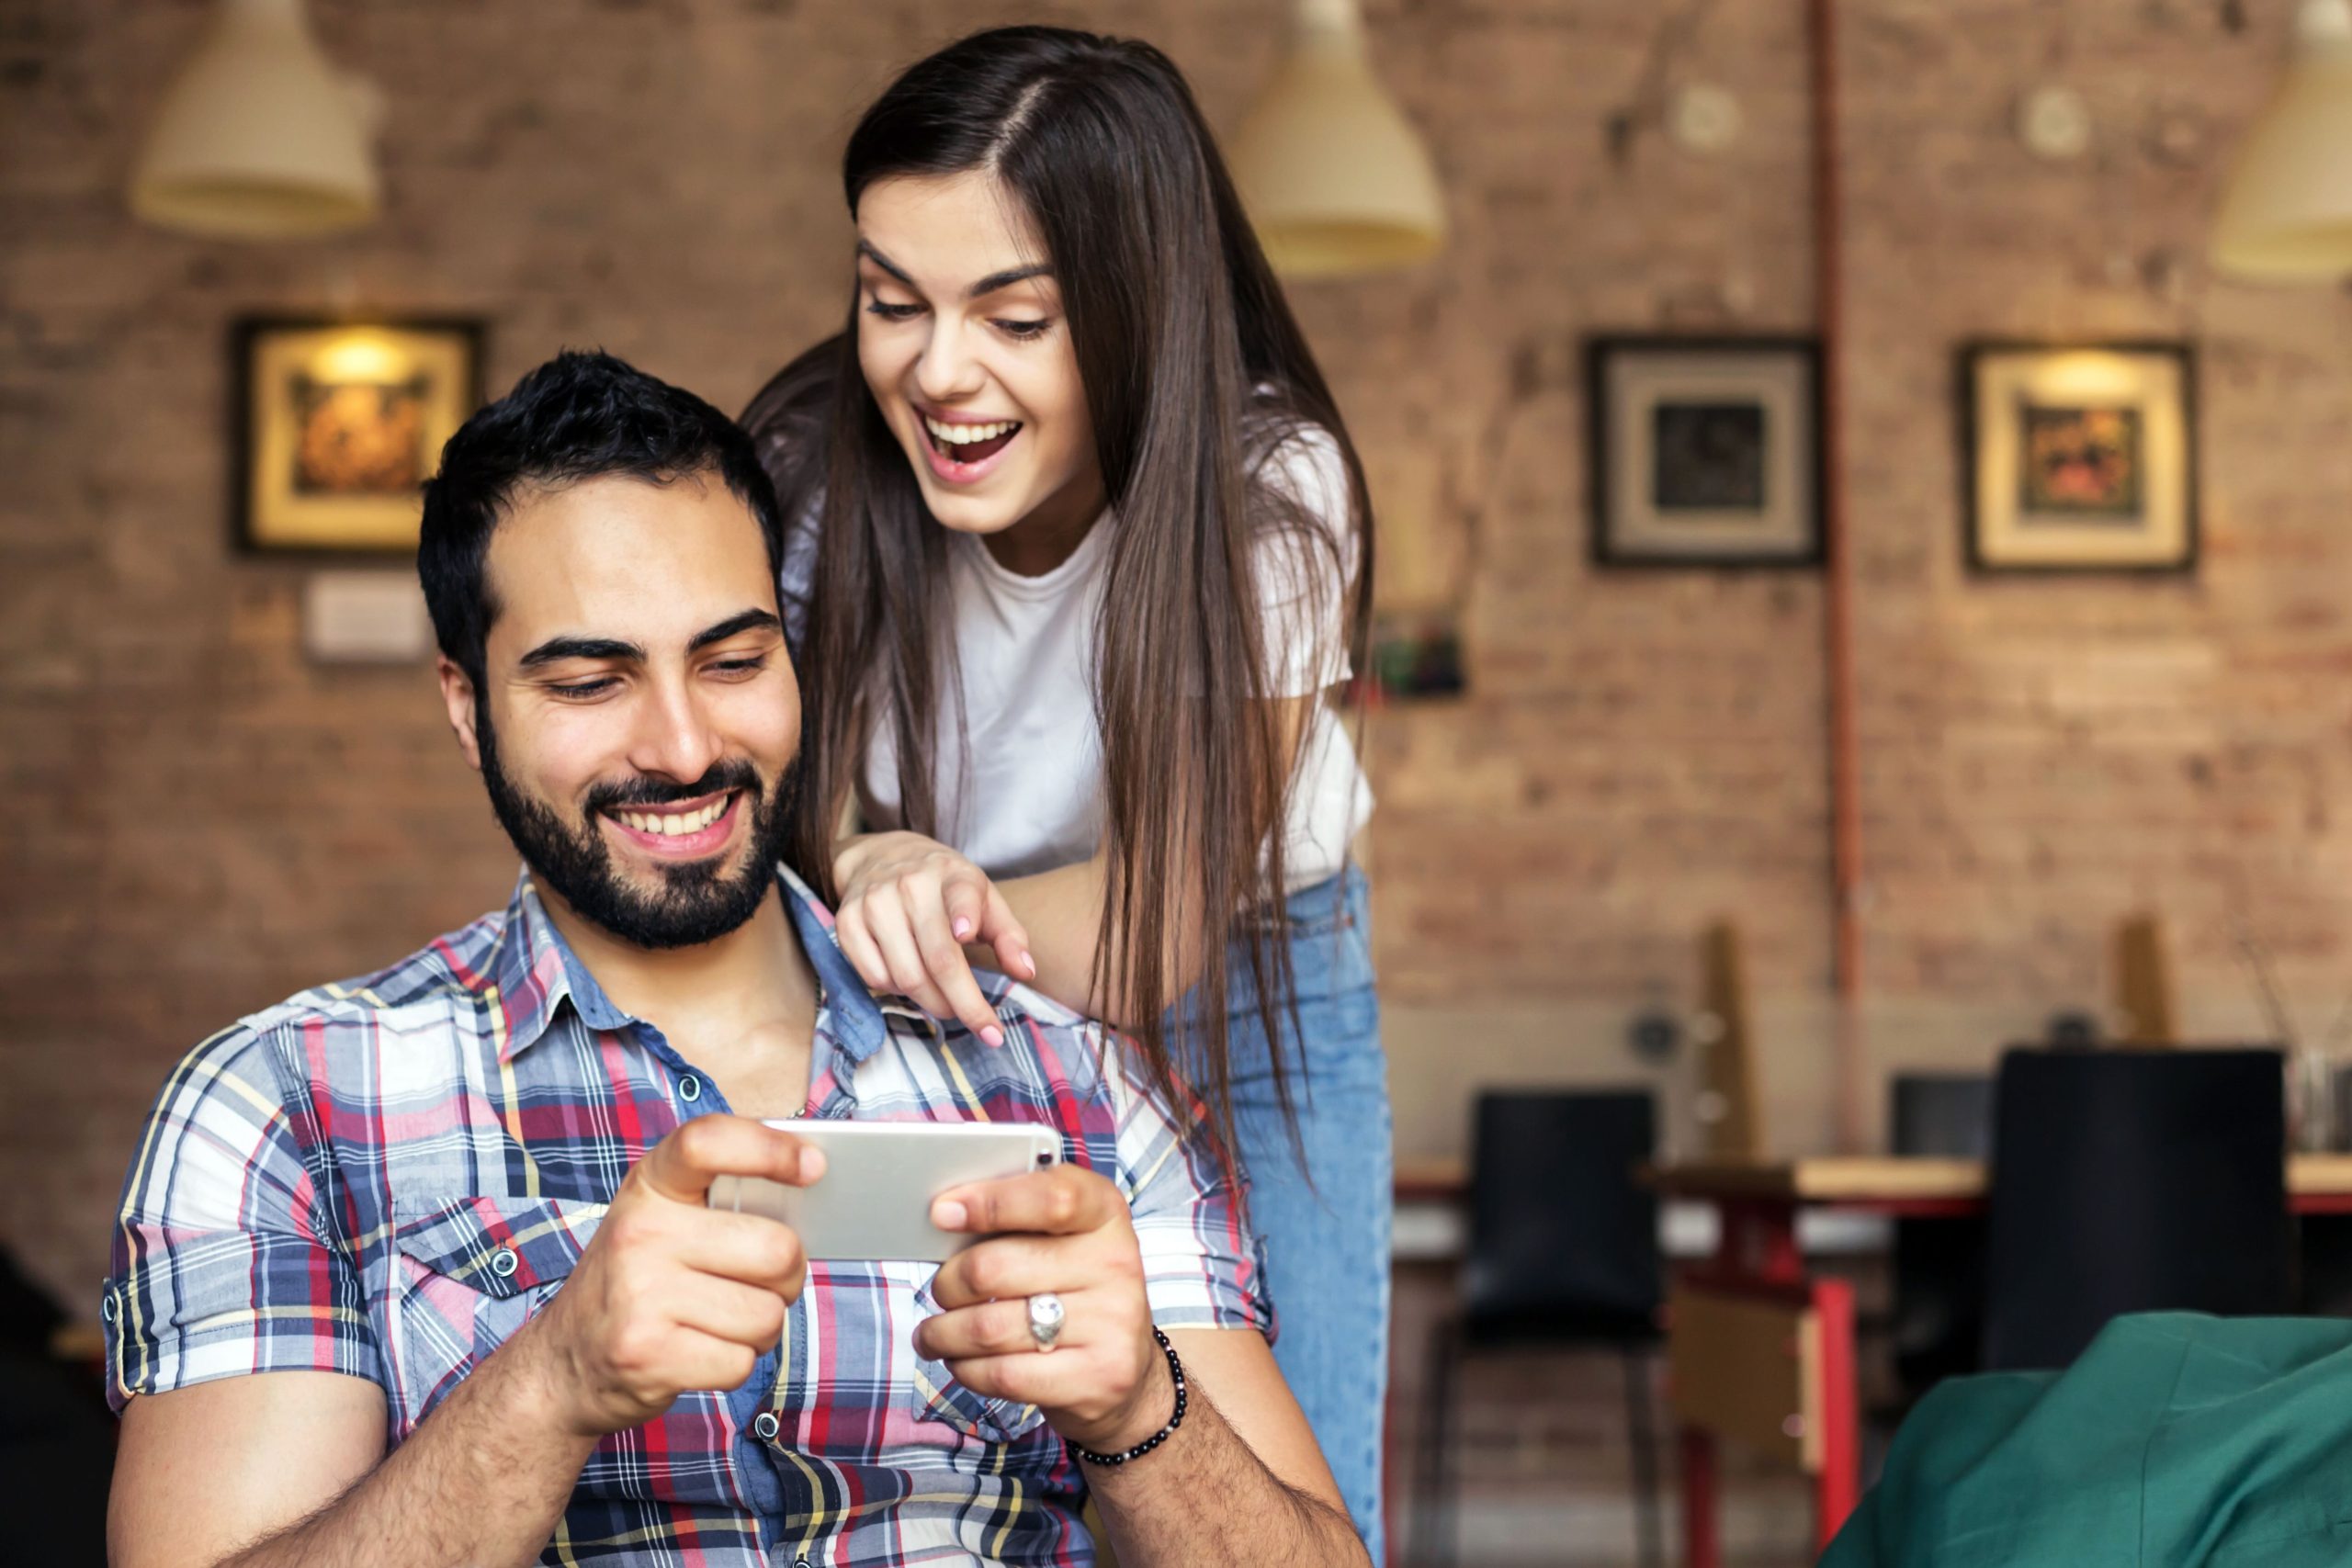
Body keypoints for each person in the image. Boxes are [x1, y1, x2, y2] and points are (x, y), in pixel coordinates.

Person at [101, 352, 1367, 1568]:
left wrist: (1141, 1406)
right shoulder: (287, 1104)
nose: (683, 743)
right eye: (592, 681)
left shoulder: (1074, 1088)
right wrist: (551, 1386)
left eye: (734, 661)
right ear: (463, 700)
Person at [741, 27, 1388, 1550]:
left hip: (1236, 963)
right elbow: (779, 787)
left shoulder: (1268, 497)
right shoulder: (812, 471)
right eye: (892, 299)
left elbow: (1157, 922)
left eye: (1012, 317)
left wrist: (907, 897)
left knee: (1272, 1486)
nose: (935, 370)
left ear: (1134, 309)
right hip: (910, 962)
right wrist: (864, 855)